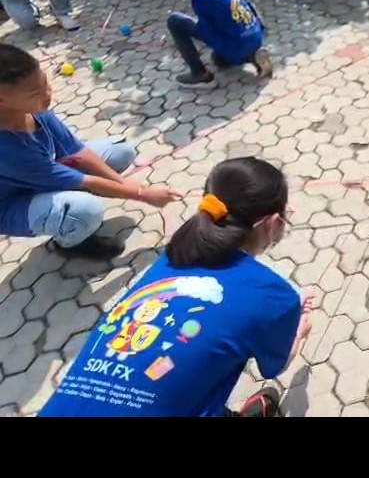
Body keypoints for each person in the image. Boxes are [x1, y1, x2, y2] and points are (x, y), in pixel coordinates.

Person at [38, 156, 312, 418]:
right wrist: (297, 330)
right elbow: (274, 367)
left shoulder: (170, 258)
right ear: (273, 223)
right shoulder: (273, 295)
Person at [0, 44, 180, 260]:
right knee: (85, 209)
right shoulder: (7, 150)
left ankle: (69, 206)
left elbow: (78, 152)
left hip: (41, 175)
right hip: (12, 203)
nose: (48, 94)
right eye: (35, 93)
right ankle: (69, 242)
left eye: (45, 83)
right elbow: (85, 180)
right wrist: (143, 195)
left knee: (120, 151)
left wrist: (131, 187)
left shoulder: (34, 110)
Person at [161, 0, 271, 89]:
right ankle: (253, 56)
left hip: (237, 47)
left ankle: (200, 75)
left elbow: (207, 33)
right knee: (218, 60)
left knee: (174, 21)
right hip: (256, 37)